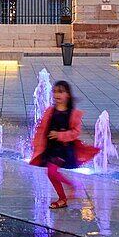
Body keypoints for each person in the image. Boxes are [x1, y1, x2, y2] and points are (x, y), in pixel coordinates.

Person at [30, 80, 100, 209]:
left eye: (60, 92)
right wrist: (36, 142)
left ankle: (71, 187)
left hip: (63, 149)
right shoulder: (50, 111)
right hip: (51, 148)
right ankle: (62, 198)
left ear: (67, 95)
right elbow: (42, 128)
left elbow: (75, 132)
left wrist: (59, 135)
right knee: (51, 173)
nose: (57, 95)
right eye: (55, 91)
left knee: (51, 171)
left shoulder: (73, 114)